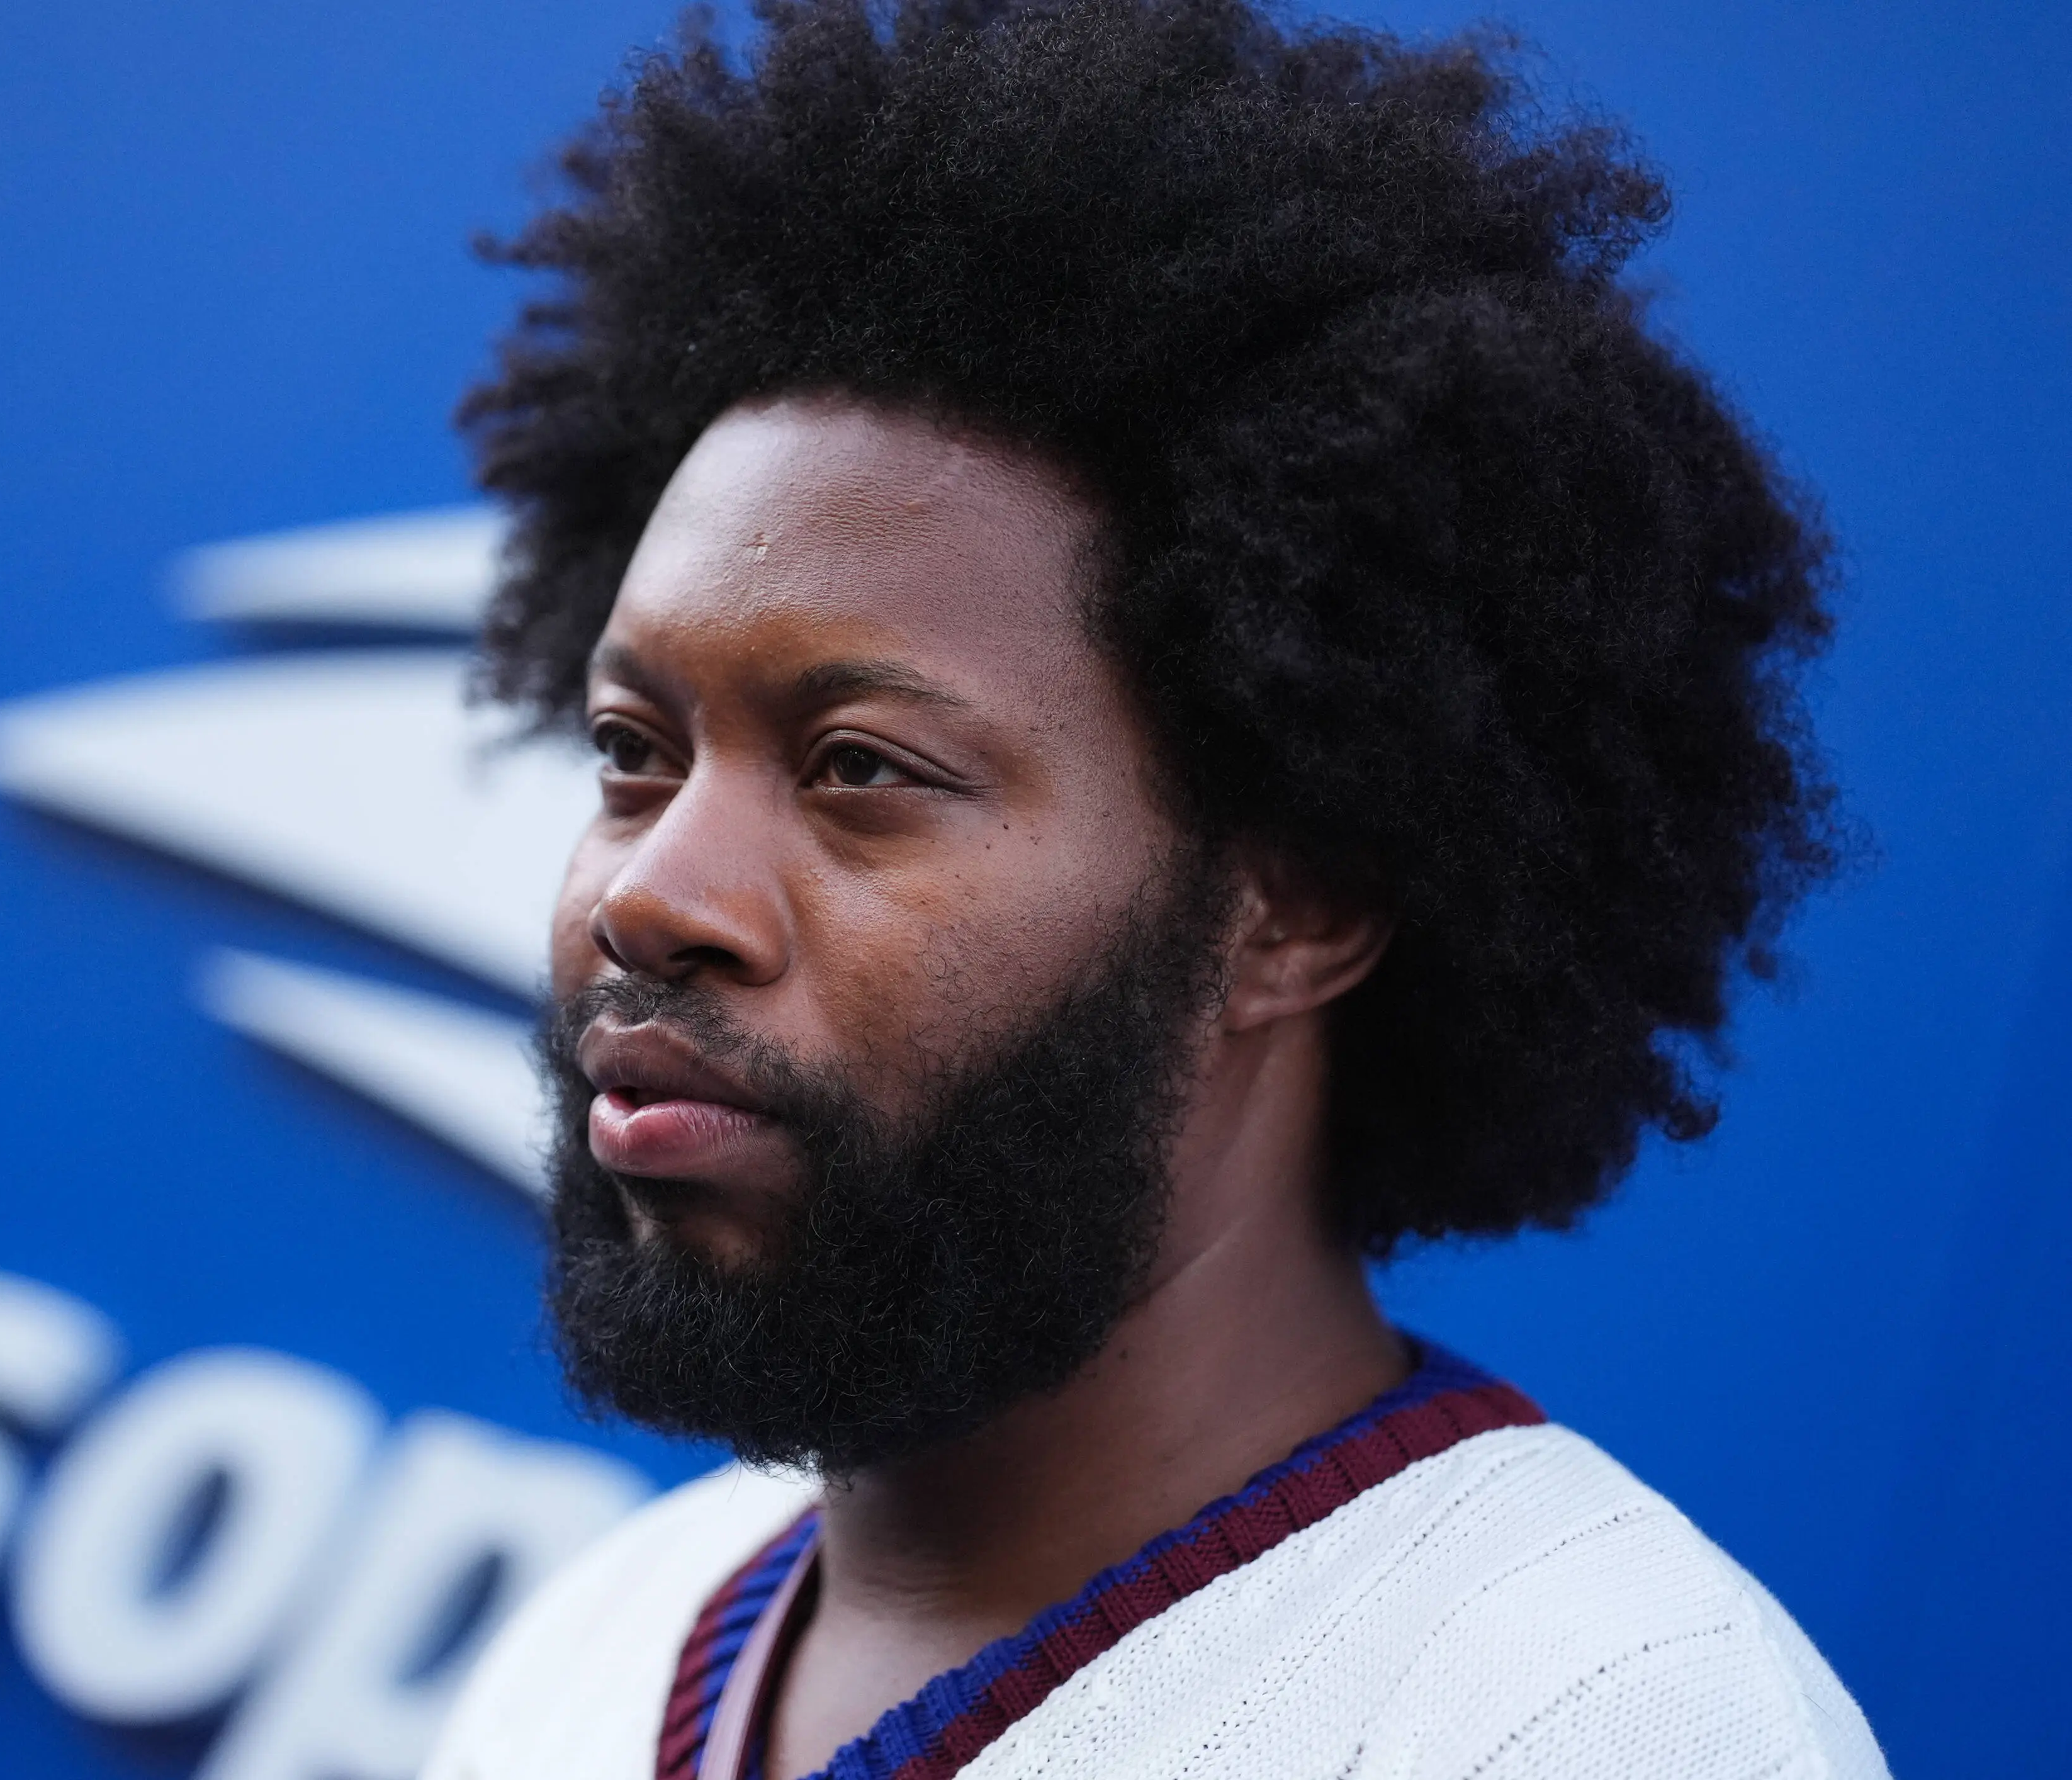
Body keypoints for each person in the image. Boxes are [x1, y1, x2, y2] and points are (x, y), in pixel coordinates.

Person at [424, 3, 1886, 1776]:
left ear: (1299, 902)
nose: (656, 895)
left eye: (862, 769)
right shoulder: (600, 1635)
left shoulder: (1603, 1718)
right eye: (632, 751)